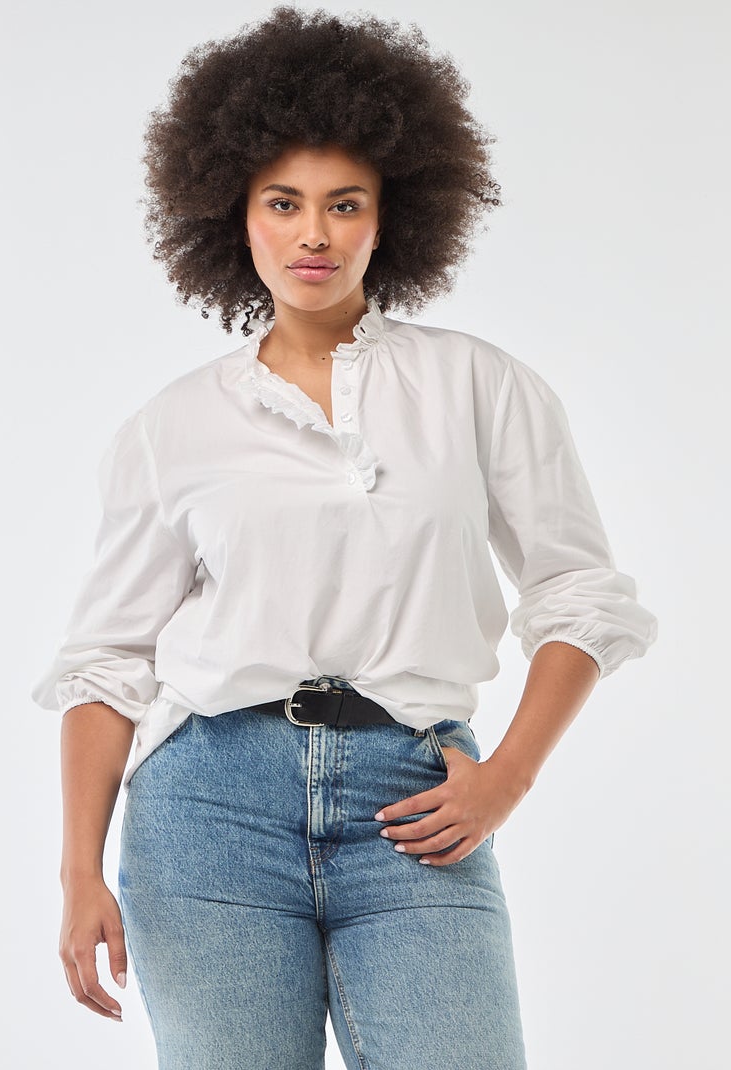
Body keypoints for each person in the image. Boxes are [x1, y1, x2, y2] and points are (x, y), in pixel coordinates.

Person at [32, 7, 658, 1069]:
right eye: (282, 203)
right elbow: (107, 659)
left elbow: (581, 595)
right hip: (208, 810)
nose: (313, 234)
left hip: (415, 794)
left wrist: (507, 776)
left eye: (344, 204)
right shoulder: (173, 426)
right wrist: (78, 871)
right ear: (235, 215)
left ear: (388, 217)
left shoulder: (480, 386)